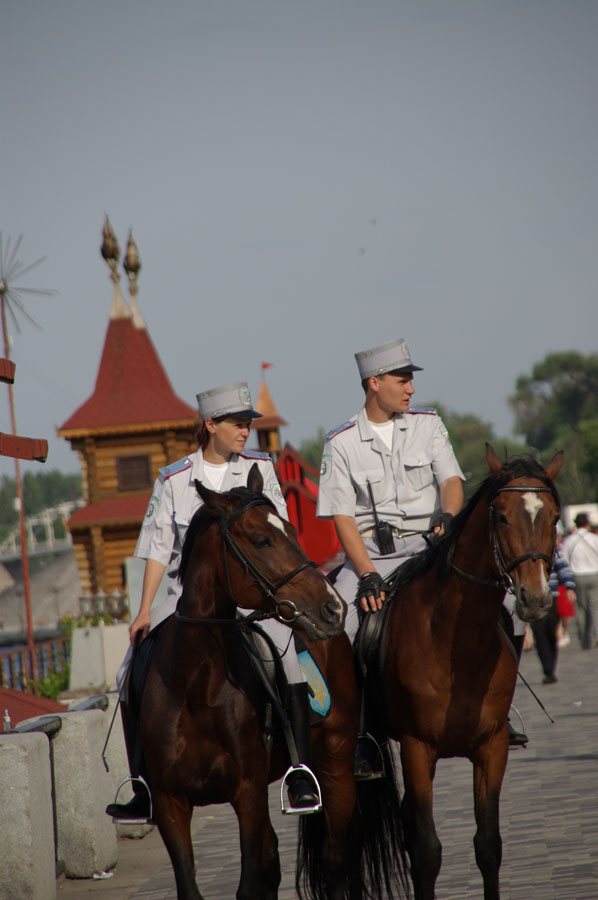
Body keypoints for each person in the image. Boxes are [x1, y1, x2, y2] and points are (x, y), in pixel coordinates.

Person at [106, 382, 320, 822]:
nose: (246, 431)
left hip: (252, 595)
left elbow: (280, 533)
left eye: (248, 424)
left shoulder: (259, 468)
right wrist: (145, 610)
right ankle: (143, 782)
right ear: (211, 425)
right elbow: (156, 550)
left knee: (288, 655)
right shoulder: (174, 480)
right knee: (129, 668)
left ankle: (299, 768)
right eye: (238, 424)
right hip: (188, 598)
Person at [316, 338, 465, 776]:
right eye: (403, 380)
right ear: (374, 383)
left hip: (429, 548)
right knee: (339, 626)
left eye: (411, 381)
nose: (411, 390)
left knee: (506, 605)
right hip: (372, 559)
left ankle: (496, 712)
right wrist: (364, 575)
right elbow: (342, 517)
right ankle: (361, 735)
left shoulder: (428, 424)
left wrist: (450, 517)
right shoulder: (341, 442)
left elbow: (451, 480)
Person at [531, 542, 576, 684]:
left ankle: (550, 666)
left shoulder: (552, 547)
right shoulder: (526, 547)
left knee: (551, 632)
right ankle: (548, 670)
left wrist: (569, 586)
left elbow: (563, 568)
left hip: (551, 595)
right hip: (534, 597)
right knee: (539, 633)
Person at [562, 512, 598, 650]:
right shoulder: (594, 538)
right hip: (595, 574)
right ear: (587, 523)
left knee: (582, 608)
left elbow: (564, 560)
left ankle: (584, 638)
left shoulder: (570, 540)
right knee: (596, 607)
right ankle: (597, 635)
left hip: (577, 575)